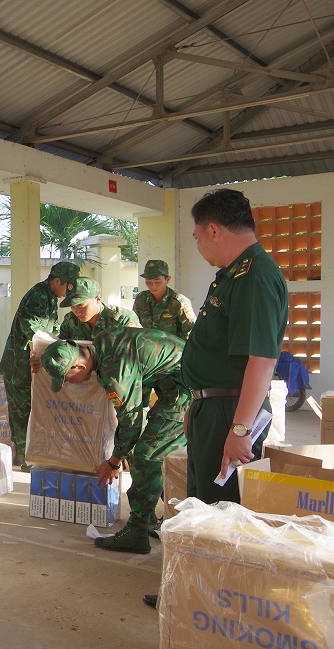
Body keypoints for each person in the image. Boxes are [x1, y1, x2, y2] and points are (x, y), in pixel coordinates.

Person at [143, 187, 288, 610]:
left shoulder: (255, 276)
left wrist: (240, 429)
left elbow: (261, 360)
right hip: (215, 406)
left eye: (196, 235)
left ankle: (212, 606)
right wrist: (197, 400)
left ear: (213, 228)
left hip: (231, 410)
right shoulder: (233, 274)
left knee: (221, 512)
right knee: (201, 505)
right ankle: (190, 593)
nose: (197, 242)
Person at [39, 328, 190, 554]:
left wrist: (113, 461)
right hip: (176, 387)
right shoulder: (103, 341)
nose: (69, 383)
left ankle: (137, 532)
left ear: (79, 366)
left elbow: (131, 421)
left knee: (146, 456)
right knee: (143, 449)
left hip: (188, 392)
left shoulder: (115, 372)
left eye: (67, 378)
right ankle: (148, 518)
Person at [0, 261, 81, 467]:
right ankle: (25, 458)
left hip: (30, 363)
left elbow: (52, 329)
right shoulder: (39, 295)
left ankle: (28, 456)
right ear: (56, 281)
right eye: (67, 287)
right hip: (19, 364)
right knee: (22, 412)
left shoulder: (50, 296)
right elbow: (32, 329)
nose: (68, 293)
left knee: (31, 410)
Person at [57, 277, 140, 340]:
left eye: (81, 306)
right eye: (73, 306)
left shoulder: (123, 320)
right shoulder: (70, 320)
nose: (77, 311)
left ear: (98, 299)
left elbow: (135, 355)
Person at [133, 259, 196, 341]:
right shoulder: (141, 299)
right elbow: (134, 326)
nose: (152, 286)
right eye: (148, 282)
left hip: (173, 351)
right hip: (146, 350)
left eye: (157, 282)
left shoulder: (179, 302)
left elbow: (191, 333)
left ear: (168, 279)